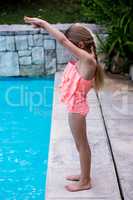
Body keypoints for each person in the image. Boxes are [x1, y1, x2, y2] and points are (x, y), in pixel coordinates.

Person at [24, 16, 104, 192]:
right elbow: (65, 40)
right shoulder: (86, 58)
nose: (70, 49)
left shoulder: (88, 60)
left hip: (77, 110)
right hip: (75, 108)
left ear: (80, 45)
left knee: (82, 144)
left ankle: (85, 181)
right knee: (79, 144)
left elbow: (62, 40)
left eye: (73, 46)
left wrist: (44, 24)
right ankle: (84, 174)